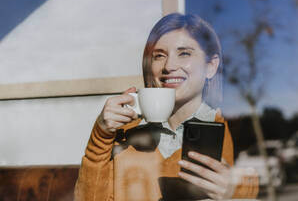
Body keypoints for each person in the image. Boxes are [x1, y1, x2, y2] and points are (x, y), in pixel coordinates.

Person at [74, 13, 258, 201]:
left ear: (211, 67)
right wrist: (101, 136)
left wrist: (237, 193)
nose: (169, 66)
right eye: (159, 56)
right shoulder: (121, 133)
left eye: (184, 53)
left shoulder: (232, 130)